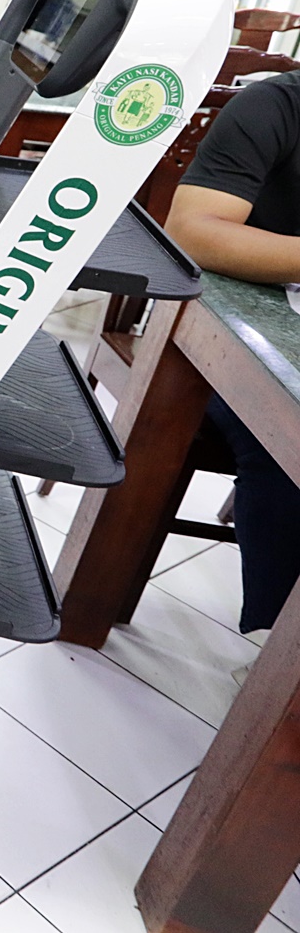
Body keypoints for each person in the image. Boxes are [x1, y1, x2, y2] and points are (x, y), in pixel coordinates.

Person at [167, 72, 300, 634]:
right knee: (288, 444)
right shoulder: (278, 105)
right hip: (236, 330)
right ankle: (273, 652)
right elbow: (192, 230)